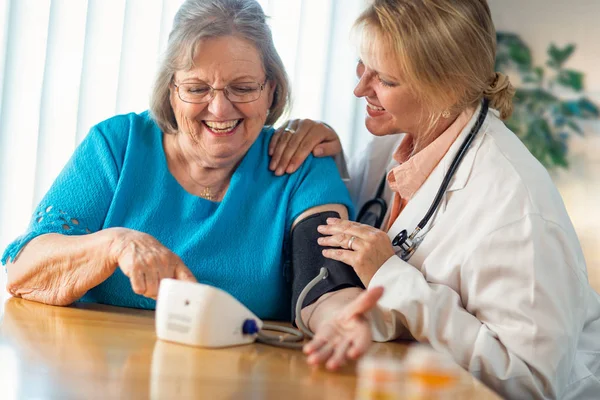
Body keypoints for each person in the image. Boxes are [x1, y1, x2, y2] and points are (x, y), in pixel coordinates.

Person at [1, 0, 377, 351]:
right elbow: (23, 271)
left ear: (270, 90)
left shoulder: (301, 162)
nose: (219, 108)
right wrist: (114, 243)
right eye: (197, 88)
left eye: (243, 88)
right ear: (170, 91)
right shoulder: (118, 145)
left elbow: (325, 285)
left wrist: (342, 317)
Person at [269, 0, 600, 398]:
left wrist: (394, 279)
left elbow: (532, 383)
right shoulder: (393, 143)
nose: (359, 89)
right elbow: (361, 234)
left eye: (386, 81)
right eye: (362, 64)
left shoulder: (518, 207)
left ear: (446, 87)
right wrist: (327, 165)